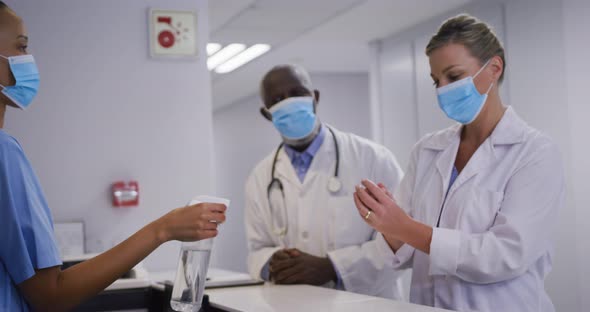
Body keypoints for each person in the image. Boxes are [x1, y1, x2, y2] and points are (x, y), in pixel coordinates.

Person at [0, 3, 227, 311]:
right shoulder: (4, 152)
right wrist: (164, 229)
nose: (28, 59)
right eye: (21, 47)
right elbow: (52, 295)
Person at [353, 14, 564, 312]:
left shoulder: (534, 153)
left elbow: (506, 254)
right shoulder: (428, 150)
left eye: (453, 76)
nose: (442, 89)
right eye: (436, 80)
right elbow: (401, 252)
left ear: (493, 69)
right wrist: (386, 222)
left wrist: (405, 226)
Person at [244, 64, 406, 299]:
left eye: (297, 93)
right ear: (267, 113)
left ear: (315, 98)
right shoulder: (260, 177)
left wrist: (332, 267)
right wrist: (271, 262)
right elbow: (256, 250)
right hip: (293, 303)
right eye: (277, 99)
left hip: (366, 305)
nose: (288, 102)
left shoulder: (373, 158)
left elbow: (401, 241)